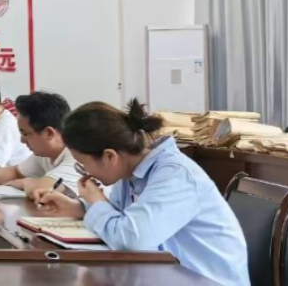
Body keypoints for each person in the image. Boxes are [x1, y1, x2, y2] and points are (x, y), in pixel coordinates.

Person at [33, 100, 249, 286]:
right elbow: (119, 217)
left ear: (109, 156)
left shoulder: (175, 174)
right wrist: (79, 208)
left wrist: (97, 202)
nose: (85, 172)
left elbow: (131, 239)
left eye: (83, 164)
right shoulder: (131, 173)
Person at [0, 91, 80, 196]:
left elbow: (44, 188)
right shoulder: (44, 154)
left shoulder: (78, 155)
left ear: (49, 133)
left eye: (26, 134)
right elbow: (15, 172)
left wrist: (21, 183)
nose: (22, 140)